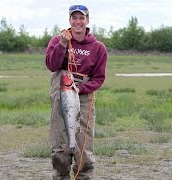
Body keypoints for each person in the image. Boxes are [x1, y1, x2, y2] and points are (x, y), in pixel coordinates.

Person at [45, 4, 108, 180]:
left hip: (84, 99)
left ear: (87, 20)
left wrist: (79, 89)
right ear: (69, 20)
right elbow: (52, 65)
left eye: (81, 18)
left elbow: (99, 78)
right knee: (60, 152)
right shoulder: (57, 40)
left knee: (84, 155)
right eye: (74, 18)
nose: (78, 21)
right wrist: (63, 44)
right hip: (61, 97)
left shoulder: (98, 47)